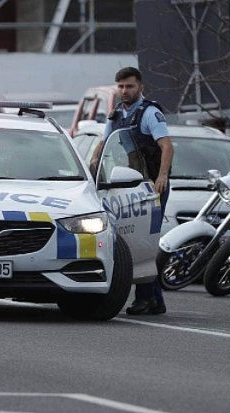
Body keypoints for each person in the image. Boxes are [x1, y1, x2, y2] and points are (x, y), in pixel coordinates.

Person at [89, 66, 174, 315]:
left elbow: (167, 147)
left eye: (130, 86)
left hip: (153, 186)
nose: (125, 91)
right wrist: (92, 166)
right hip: (134, 184)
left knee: (143, 241)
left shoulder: (149, 113)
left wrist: (162, 176)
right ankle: (155, 300)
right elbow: (103, 144)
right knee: (136, 240)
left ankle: (145, 298)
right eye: (121, 86)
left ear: (141, 88)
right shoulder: (116, 114)